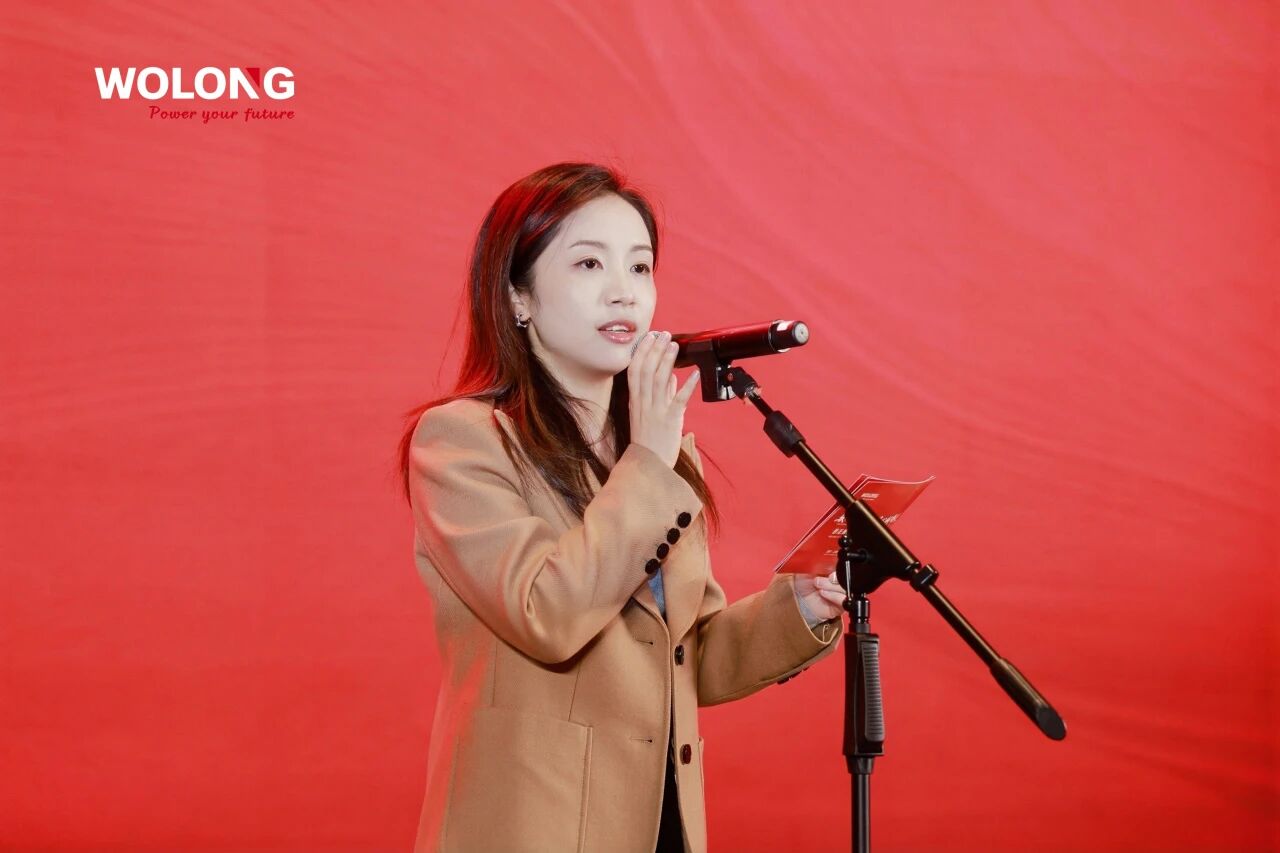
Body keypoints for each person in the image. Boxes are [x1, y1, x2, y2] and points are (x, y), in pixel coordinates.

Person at [398, 162, 848, 853]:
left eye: (640, 267)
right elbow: (545, 614)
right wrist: (649, 459)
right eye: (589, 263)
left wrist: (802, 608)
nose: (624, 291)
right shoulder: (461, 440)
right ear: (517, 296)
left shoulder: (654, 455)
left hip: (659, 825)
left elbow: (684, 659)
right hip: (532, 828)